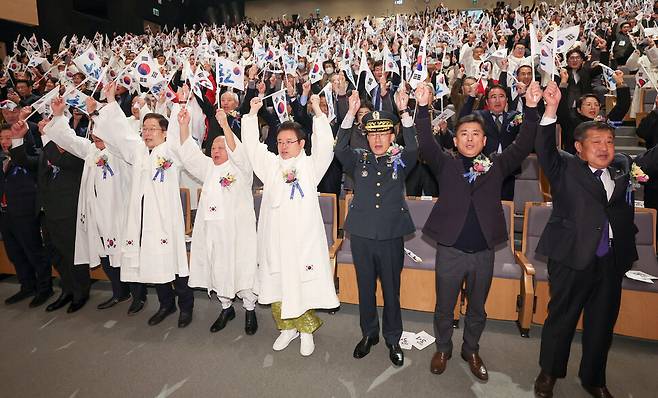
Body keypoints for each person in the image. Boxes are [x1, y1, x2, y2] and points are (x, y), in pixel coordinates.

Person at [533, 83, 658, 398]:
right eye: (596, 142)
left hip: (611, 261)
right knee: (562, 320)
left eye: (610, 141)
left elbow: (650, 161)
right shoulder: (564, 167)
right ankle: (549, 373)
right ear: (579, 146)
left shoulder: (622, 168)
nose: (605, 147)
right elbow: (545, 147)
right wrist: (550, 110)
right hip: (572, 257)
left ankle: (593, 378)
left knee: (602, 324)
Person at [417, 80, 542, 380]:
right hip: (450, 250)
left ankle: (470, 349)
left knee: (477, 307)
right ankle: (443, 347)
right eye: (464, 135)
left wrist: (532, 108)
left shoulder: (498, 164)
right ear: (456, 140)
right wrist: (422, 107)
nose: (470, 139)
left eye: (475, 135)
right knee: (445, 306)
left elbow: (524, 144)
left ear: (484, 141)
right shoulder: (445, 163)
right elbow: (424, 140)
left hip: (484, 251)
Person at [89, 82, 194, 328]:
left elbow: (186, 145)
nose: (147, 133)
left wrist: (182, 116)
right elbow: (119, 134)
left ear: (165, 132)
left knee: (176, 265)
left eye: (152, 129)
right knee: (153, 263)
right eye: (144, 129)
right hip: (142, 219)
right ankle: (166, 305)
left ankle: (185, 307)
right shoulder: (137, 151)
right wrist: (111, 102)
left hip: (166, 219)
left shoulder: (171, 150)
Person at [242, 94, 340, 357]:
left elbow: (325, 148)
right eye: (280, 142)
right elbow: (252, 149)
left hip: (303, 237)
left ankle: (306, 331)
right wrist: (252, 116)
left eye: (289, 142)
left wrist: (319, 113)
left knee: (301, 280)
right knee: (276, 280)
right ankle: (287, 328)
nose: (284, 146)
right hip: (274, 236)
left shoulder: (310, 166)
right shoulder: (271, 165)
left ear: (301, 143)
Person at [334, 89, 417, 367]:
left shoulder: (400, 158)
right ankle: (369, 334)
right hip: (362, 236)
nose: (378, 139)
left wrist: (404, 113)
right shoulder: (359, 158)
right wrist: (348, 113)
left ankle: (393, 338)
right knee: (365, 288)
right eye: (373, 134)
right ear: (366, 137)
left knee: (391, 290)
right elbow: (339, 149)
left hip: (391, 236)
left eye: (383, 134)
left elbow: (416, 149)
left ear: (392, 136)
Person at [42, 97, 146, 314]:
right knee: (106, 256)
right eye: (94, 132)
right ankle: (120, 292)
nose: (96, 136)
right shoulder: (90, 151)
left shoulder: (118, 153)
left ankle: (139, 295)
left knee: (125, 257)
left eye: (100, 132)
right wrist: (60, 115)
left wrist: (102, 109)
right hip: (97, 216)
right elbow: (68, 140)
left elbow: (122, 136)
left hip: (118, 215)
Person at [176, 105, 258, 335]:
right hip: (212, 231)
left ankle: (249, 309)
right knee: (218, 267)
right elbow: (190, 155)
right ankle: (226, 308)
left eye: (221, 147)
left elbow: (237, 150)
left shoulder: (242, 169)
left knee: (242, 268)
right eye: (213, 147)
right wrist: (184, 126)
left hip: (238, 232)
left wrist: (224, 125)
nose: (216, 150)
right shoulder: (208, 168)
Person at [0, 123, 52, 307]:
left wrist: (20, 139)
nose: (5, 142)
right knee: (15, 254)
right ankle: (27, 286)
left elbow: (26, 156)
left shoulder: (27, 157)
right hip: (6, 216)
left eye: (9, 138)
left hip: (26, 214)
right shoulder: (2, 160)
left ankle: (45, 288)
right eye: (2, 138)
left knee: (34, 252)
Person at [459, 83, 524, 200]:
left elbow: (533, 124)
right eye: (493, 97)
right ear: (487, 102)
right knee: (485, 204)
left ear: (507, 100)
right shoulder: (479, 116)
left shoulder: (515, 117)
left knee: (506, 206)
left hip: (508, 169)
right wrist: (472, 96)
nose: (497, 100)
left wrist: (524, 96)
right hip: (484, 168)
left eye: (501, 96)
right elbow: (462, 120)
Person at [557, 68, 629, 154]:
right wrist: (563, 82)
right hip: (575, 163)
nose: (593, 107)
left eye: (596, 104)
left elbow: (622, 107)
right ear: (579, 110)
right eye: (588, 105)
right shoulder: (571, 123)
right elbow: (561, 108)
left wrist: (620, 83)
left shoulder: (604, 124)